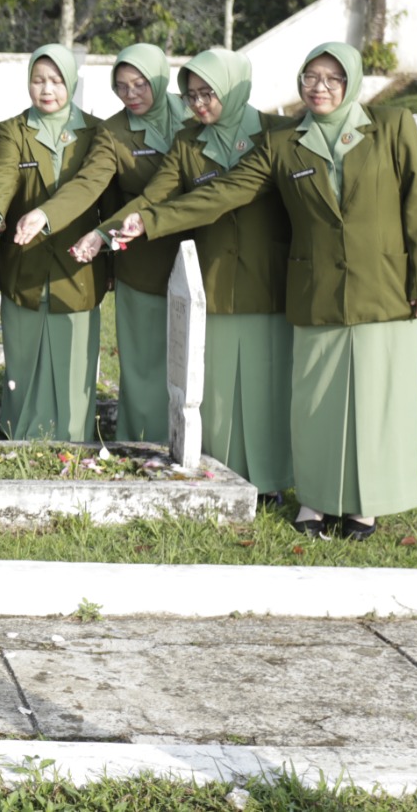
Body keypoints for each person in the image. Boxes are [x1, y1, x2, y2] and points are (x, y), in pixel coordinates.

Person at [106, 43, 417, 539]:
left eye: (331, 78)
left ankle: (363, 506)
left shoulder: (392, 126)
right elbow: (223, 192)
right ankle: (314, 500)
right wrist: (149, 220)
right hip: (315, 290)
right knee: (315, 403)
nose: (319, 87)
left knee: (374, 401)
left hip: (385, 288)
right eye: (310, 77)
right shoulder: (285, 143)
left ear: (350, 81)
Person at [76, 48, 295, 505]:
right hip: (213, 276)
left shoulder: (278, 133)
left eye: (208, 94)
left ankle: (272, 476)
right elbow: (155, 196)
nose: (198, 104)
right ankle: (223, 468)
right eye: (191, 95)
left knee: (266, 380)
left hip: (267, 275)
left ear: (234, 88)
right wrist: (112, 229)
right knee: (214, 386)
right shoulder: (189, 142)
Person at [8, 44, 191, 443]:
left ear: (160, 79)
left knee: (197, 358)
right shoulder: (113, 132)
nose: (132, 95)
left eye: (141, 84)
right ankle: (144, 442)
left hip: (199, 250)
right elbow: (89, 183)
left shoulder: (194, 114)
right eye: (121, 87)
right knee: (143, 361)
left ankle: (198, 444)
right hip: (139, 252)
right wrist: (47, 215)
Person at [0, 44, 106, 441]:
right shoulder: (12, 131)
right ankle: (20, 433)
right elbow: (2, 179)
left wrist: (109, 256)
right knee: (23, 357)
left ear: (71, 82)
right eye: (38, 80)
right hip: (24, 259)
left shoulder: (96, 132)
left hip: (78, 263)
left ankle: (74, 437)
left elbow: (103, 198)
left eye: (56, 81)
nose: (46, 90)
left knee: (75, 359)